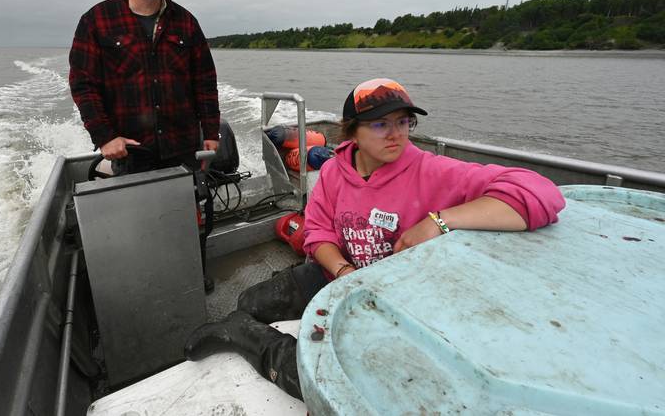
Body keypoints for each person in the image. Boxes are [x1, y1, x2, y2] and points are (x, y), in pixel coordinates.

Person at [184, 77, 566, 400]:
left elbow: (541, 194)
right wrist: (344, 269)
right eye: (381, 125)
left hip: (393, 299)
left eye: (403, 122)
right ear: (352, 131)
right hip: (339, 275)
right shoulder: (334, 172)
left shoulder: (431, 171)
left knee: (341, 384)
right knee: (249, 300)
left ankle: (250, 342)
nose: (396, 134)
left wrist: (439, 221)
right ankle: (241, 327)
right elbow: (318, 233)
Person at [69, 0, 220, 171]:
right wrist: (104, 136)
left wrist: (211, 132)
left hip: (183, 150)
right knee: (135, 209)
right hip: (130, 152)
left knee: (187, 209)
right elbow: (83, 86)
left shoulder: (186, 22)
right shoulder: (96, 21)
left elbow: (205, 83)